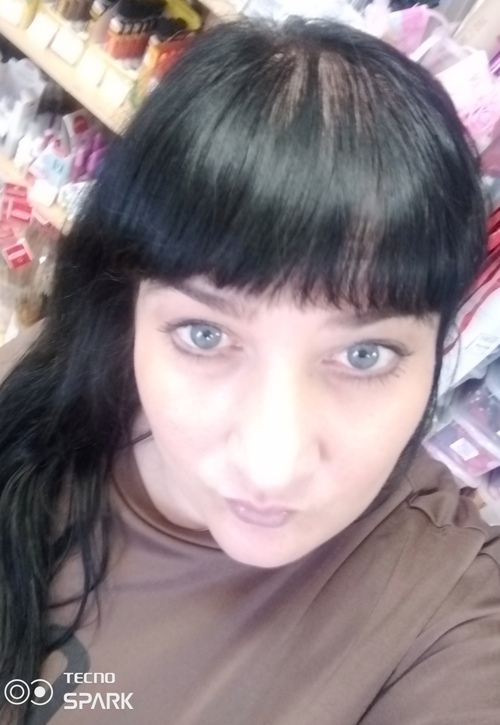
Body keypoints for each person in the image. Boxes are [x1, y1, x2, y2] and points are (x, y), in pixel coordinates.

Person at [0, 16, 499, 725]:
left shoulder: (445, 618)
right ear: (127, 308)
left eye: (363, 355)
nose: (273, 465)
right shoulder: (37, 380)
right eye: (205, 335)